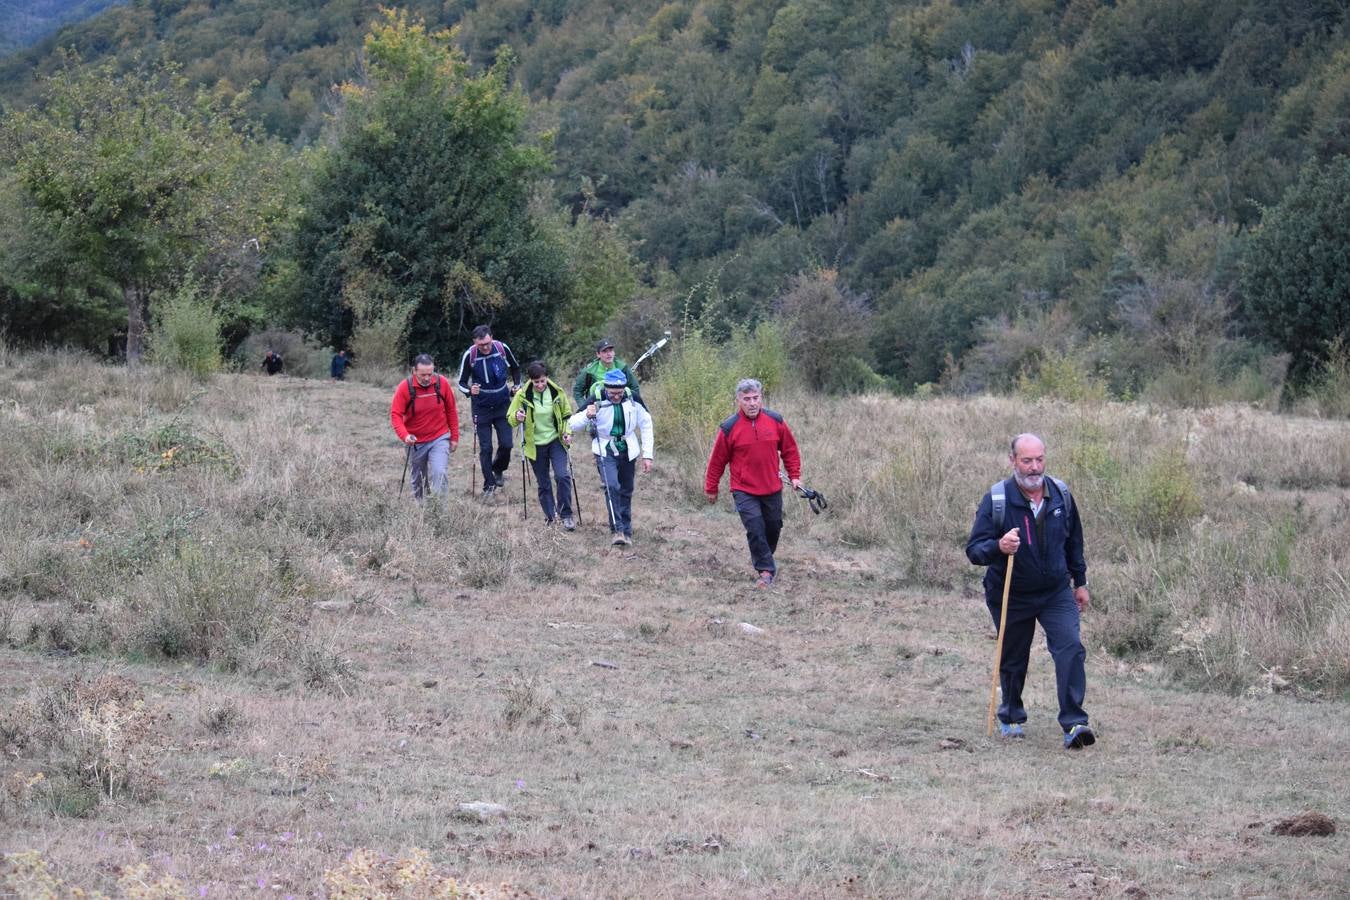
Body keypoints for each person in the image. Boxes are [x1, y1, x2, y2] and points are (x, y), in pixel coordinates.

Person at [966, 433, 1094, 750]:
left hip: (1055, 591)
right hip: (1011, 592)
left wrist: (1080, 582)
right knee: (1013, 656)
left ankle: (1075, 723)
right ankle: (1010, 715)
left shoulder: (1061, 495)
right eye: (1027, 460)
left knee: (1071, 649)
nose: (1034, 467)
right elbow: (974, 551)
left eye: (1039, 459)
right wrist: (999, 545)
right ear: (1013, 461)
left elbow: (1074, 541)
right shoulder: (997, 499)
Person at [704, 379, 803, 588]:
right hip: (743, 489)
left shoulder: (775, 421)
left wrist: (794, 475)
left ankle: (764, 556)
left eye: (755, 398)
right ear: (738, 400)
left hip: (771, 487)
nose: (752, 403)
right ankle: (765, 571)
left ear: (761, 398)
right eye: (746, 399)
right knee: (755, 527)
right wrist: (711, 488)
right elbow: (717, 461)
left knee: (774, 527)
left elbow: (790, 450)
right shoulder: (729, 428)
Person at [567, 369, 653, 546]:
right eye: (612, 393)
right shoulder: (596, 398)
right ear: (606, 388)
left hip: (629, 449)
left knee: (626, 490)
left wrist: (648, 455)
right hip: (604, 450)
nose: (616, 397)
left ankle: (627, 530)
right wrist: (587, 414)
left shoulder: (632, 398)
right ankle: (618, 531)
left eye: (619, 393)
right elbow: (572, 423)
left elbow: (646, 424)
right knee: (612, 486)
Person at [508, 361, 576, 529]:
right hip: (535, 445)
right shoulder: (522, 395)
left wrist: (567, 433)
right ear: (530, 380)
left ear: (547, 378)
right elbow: (510, 419)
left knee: (562, 476)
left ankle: (566, 515)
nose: (540, 385)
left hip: (556, 440)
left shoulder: (557, 392)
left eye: (542, 381)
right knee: (544, 482)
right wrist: (517, 416)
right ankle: (551, 517)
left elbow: (567, 416)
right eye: (536, 382)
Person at [456, 325, 522, 496]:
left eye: (487, 343)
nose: (485, 347)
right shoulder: (470, 355)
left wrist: (517, 386)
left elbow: (515, 368)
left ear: (491, 337)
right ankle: (489, 486)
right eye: (480, 345)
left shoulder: (502, 348)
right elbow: (461, 383)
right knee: (486, 448)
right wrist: (470, 391)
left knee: (507, 444)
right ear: (474, 342)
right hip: (481, 407)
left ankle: (498, 468)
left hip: (502, 404)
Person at [389, 354, 460, 499]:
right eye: (423, 375)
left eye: (430, 374)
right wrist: (405, 436)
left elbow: (452, 411)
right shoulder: (405, 387)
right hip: (415, 442)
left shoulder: (442, 383)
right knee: (419, 480)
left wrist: (454, 437)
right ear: (414, 371)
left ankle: (440, 515)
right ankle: (422, 512)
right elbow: (396, 415)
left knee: (439, 472)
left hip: (439, 438)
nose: (427, 378)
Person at [573, 338, 643, 409]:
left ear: (614, 352)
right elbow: (577, 391)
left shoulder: (623, 367)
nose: (608, 354)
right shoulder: (589, 371)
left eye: (611, 350)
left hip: (620, 407)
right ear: (598, 354)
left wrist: (633, 406)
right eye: (604, 351)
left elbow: (634, 387)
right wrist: (585, 407)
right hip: (597, 410)